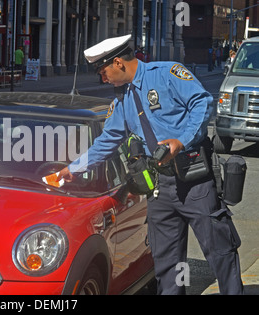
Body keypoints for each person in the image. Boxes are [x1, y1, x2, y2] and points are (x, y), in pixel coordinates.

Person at [56, 34, 244, 295]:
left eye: (104, 71)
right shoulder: (121, 101)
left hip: (195, 179)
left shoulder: (167, 73)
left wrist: (182, 140)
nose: (103, 78)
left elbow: (201, 102)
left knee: (220, 253)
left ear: (119, 63)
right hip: (160, 187)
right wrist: (73, 169)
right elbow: (107, 140)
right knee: (168, 263)